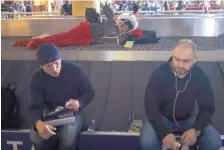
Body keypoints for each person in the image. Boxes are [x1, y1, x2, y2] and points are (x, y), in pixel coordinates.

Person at [140, 39, 222, 150]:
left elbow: (207, 108)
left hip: (188, 119)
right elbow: (150, 107)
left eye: (185, 61)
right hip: (162, 118)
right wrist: (164, 133)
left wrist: (196, 130)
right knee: (148, 142)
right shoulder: (159, 74)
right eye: (177, 59)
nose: (180, 64)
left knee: (214, 141)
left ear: (194, 60)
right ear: (172, 56)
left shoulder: (200, 76)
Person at [29, 43, 95, 150]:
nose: (54, 69)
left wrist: (78, 102)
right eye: (48, 66)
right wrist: (39, 124)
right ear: (41, 67)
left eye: (56, 63)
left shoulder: (75, 70)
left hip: (73, 112)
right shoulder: (37, 79)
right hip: (49, 113)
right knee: (37, 138)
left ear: (61, 59)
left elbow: (89, 92)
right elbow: (34, 107)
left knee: (67, 137)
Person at [13, 4, 137, 50]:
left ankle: (38, 42)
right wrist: (115, 18)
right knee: (61, 37)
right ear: (122, 21)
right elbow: (104, 7)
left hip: (87, 40)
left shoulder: (116, 34)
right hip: (84, 30)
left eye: (126, 28)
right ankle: (34, 42)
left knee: (63, 43)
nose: (123, 28)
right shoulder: (113, 21)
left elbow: (125, 42)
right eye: (124, 25)